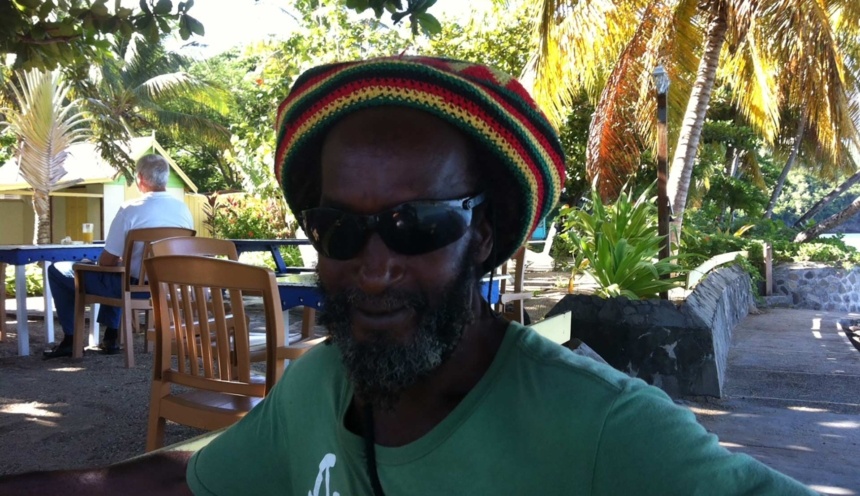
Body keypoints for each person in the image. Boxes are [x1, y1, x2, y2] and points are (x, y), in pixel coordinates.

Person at [1, 57, 814, 495]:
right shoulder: (316, 387)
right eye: (340, 227)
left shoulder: (602, 429)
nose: (374, 266)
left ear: (483, 234)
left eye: (417, 224)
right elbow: (176, 480)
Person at [42, 154, 194, 359]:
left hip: (130, 287)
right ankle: (110, 337)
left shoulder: (130, 210)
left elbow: (107, 260)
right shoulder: (183, 210)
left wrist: (93, 263)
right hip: (165, 288)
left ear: (140, 178)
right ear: (165, 178)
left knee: (59, 270)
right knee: (119, 270)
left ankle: (71, 339)